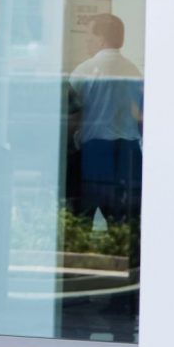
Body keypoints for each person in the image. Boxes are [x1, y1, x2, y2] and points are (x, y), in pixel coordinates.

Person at [66, 14, 143, 228]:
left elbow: (70, 112)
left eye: (89, 35)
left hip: (95, 150)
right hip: (130, 151)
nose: (86, 41)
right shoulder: (134, 72)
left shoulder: (84, 70)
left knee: (87, 216)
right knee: (126, 218)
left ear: (101, 40)